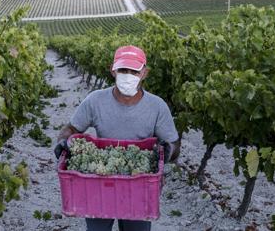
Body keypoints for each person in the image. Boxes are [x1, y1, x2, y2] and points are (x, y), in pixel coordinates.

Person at [54, 45, 180, 231]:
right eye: (122, 70)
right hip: (99, 184)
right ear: (112, 71)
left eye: (134, 71)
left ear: (144, 73)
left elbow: (174, 145)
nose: (128, 75)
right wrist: (63, 141)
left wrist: (168, 151)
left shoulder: (157, 106)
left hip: (139, 187)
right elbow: (71, 128)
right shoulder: (95, 100)